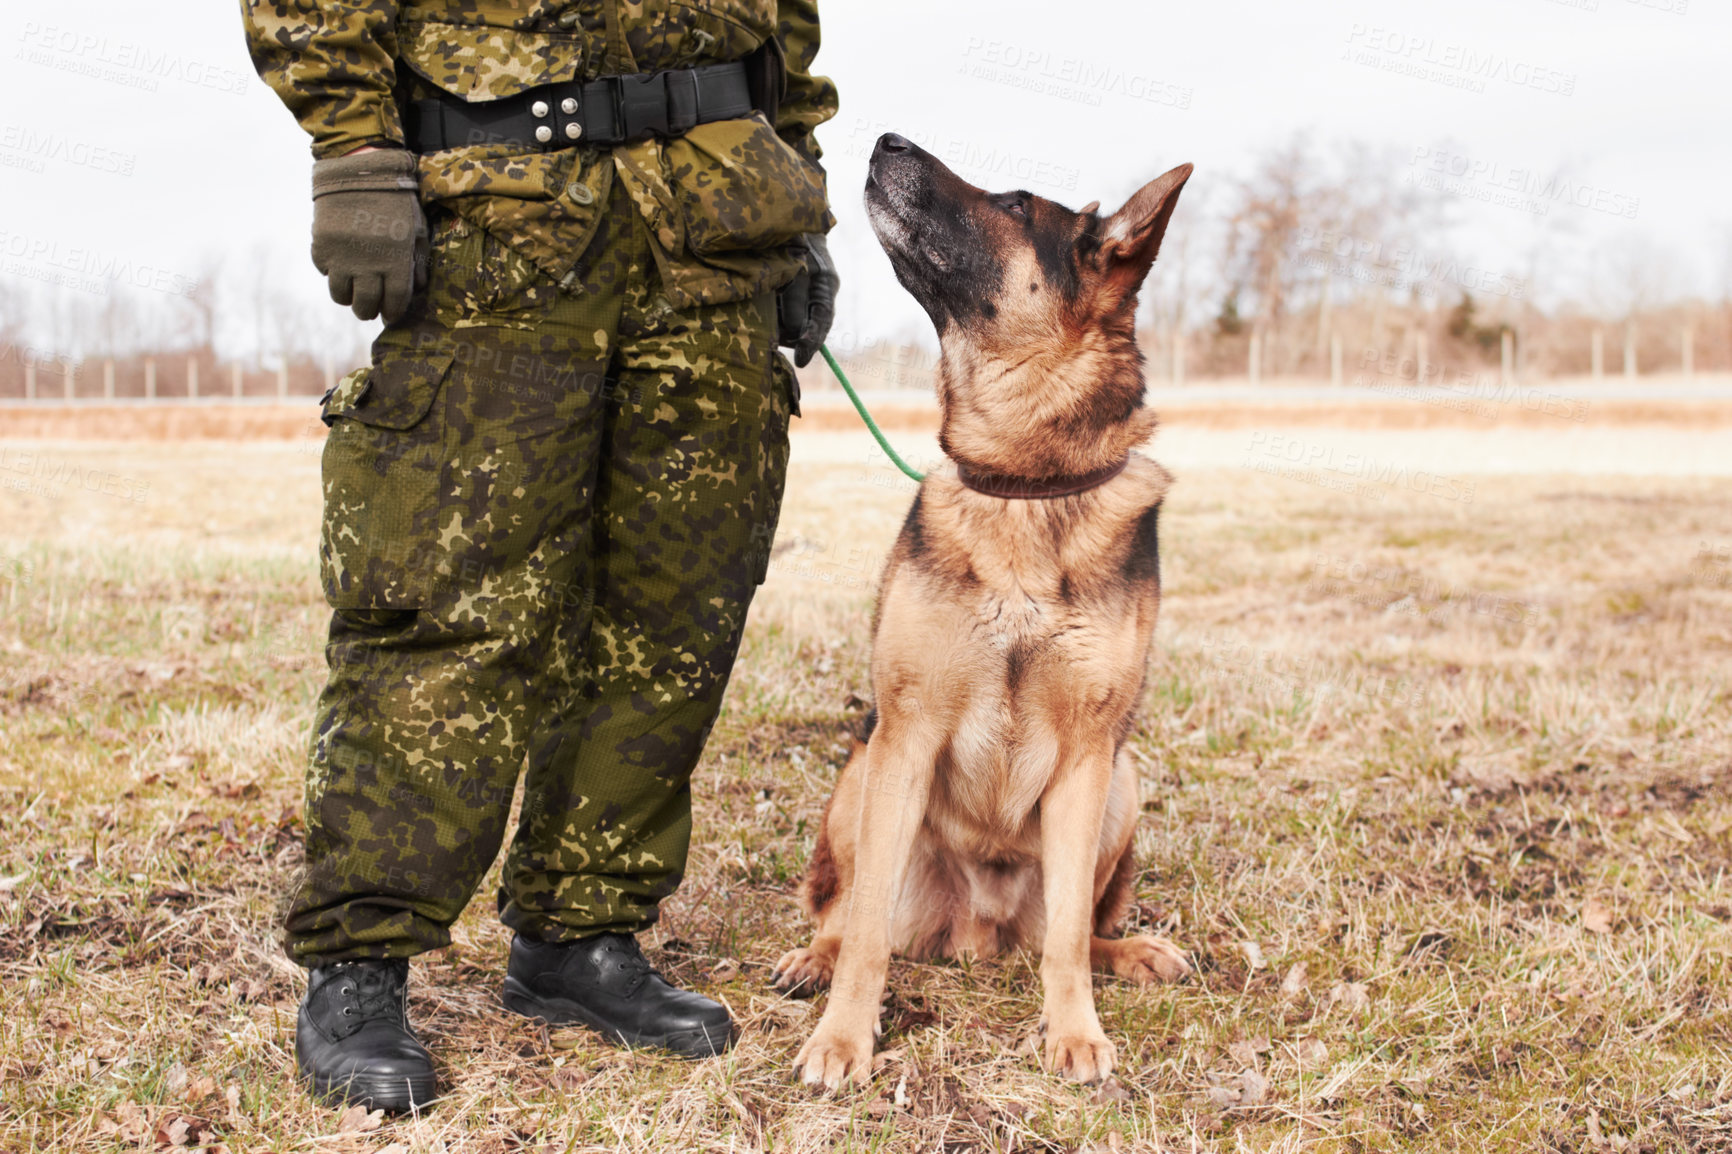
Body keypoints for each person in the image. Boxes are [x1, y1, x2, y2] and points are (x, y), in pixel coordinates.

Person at [240, 0, 837, 1112]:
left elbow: (784, 22)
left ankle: (579, 934)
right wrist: (359, 151)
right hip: (501, 222)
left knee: (673, 607)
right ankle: (359, 963)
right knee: (446, 606)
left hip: (711, 236)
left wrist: (796, 187)